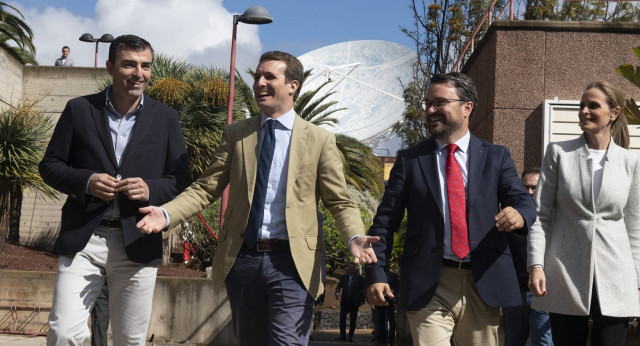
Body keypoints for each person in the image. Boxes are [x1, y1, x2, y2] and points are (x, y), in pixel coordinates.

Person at [136, 51, 379, 345]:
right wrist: (166, 214)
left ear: (293, 85)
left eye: (269, 76)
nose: (260, 83)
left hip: (293, 263)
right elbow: (206, 188)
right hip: (243, 259)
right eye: (257, 77)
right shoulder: (236, 134)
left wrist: (353, 236)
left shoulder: (319, 140)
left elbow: (340, 201)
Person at [39, 34, 192, 345]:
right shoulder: (79, 110)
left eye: (145, 66)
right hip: (85, 239)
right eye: (129, 65)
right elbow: (50, 165)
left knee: (130, 339)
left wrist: (150, 188)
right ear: (110, 67)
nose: (139, 73)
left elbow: (180, 178)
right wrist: (86, 181)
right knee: (63, 331)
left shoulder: (166, 118)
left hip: (137, 239)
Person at [365, 72, 536, 346]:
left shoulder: (496, 156)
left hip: (484, 281)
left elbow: (523, 200)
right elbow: (384, 224)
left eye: (440, 102)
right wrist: (376, 274)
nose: (430, 110)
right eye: (428, 103)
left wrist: (519, 214)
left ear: (466, 107)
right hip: (429, 283)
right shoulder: (411, 161)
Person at [528, 81, 639, 346]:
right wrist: (536, 264)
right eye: (581, 106)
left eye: (593, 106)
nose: (584, 112)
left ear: (614, 113)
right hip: (564, 271)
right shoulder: (559, 153)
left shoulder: (631, 162)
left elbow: (635, 226)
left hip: (617, 274)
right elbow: (541, 217)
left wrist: (637, 279)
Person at [502, 168, 553, 346]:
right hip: (515, 293)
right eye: (526, 187)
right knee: (513, 341)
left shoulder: (551, 220)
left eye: (534, 187)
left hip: (544, 293)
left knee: (544, 342)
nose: (530, 192)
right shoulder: (511, 221)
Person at [335, 262, 366, 342]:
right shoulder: (344, 277)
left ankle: (351, 336)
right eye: (349, 267)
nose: (351, 268)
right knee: (342, 319)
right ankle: (342, 335)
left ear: (355, 268)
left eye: (352, 267)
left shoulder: (360, 278)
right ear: (348, 268)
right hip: (345, 302)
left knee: (353, 320)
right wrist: (337, 293)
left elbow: (363, 290)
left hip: (354, 303)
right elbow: (339, 286)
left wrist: (362, 300)